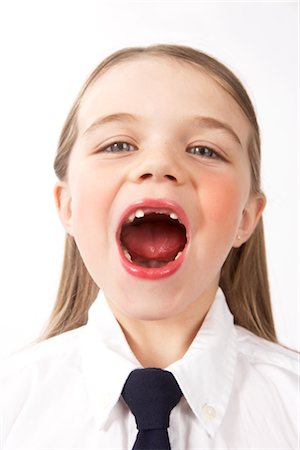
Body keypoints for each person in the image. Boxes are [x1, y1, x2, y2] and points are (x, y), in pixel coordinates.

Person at [0, 44, 298, 449]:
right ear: (67, 206)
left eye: (204, 150)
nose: (159, 164)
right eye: (118, 145)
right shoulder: (11, 406)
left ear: (246, 217)